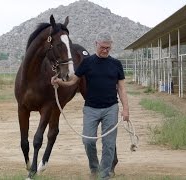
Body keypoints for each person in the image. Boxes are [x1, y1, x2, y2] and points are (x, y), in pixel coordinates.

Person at [51, 31, 129, 180]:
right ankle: (94, 169)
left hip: (111, 108)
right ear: (96, 44)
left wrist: (126, 109)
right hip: (91, 109)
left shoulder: (116, 64)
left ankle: (104, 175)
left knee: (109, 143)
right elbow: (74, 81)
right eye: (102, 47)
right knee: (88, 141)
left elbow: (122, 88)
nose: (105, 50)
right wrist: (60, 82)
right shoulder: (87, 63)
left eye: (108, 47)